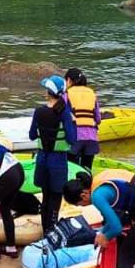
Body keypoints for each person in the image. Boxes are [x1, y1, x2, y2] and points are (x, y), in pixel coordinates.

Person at [31, 75, 75, 233]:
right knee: (55, 198)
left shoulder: (38, 111)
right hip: (58, 161)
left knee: (46, 197)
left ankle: (45, 232)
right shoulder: (64, 113)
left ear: (48, 92)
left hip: (42, 159)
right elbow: (71, 138)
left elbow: (31, 135)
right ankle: (52, 231)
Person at [64, 68, 101, 170]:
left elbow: (62, 115)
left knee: (71, 169)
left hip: (75, 138)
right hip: (91, 138)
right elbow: (98, 118)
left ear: (68, 80)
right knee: (87, 169)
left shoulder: (66, 94)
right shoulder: (92, 93)